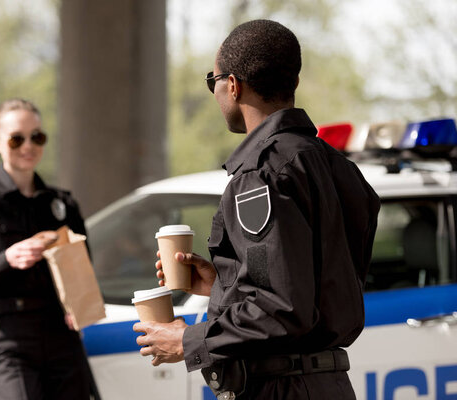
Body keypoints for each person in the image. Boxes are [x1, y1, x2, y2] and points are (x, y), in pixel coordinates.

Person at [133, 20, 380, 399]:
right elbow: (305, 287)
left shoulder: (261, 172)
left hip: (282, 387)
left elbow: (282, 308)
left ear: (232, 85)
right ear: (292, 83)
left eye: (212, 81)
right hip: (327, 384)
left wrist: (188, 340)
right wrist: (222, 286)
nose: (215, 92)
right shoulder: (337, 166)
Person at [0, 98, 94, 400]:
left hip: (61, 337)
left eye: (37, 137)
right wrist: (6, 259)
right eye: (16, 138)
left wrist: (79, 305)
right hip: (8, 340)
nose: (28, 146)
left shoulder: (62, 204)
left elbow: (84, 269)